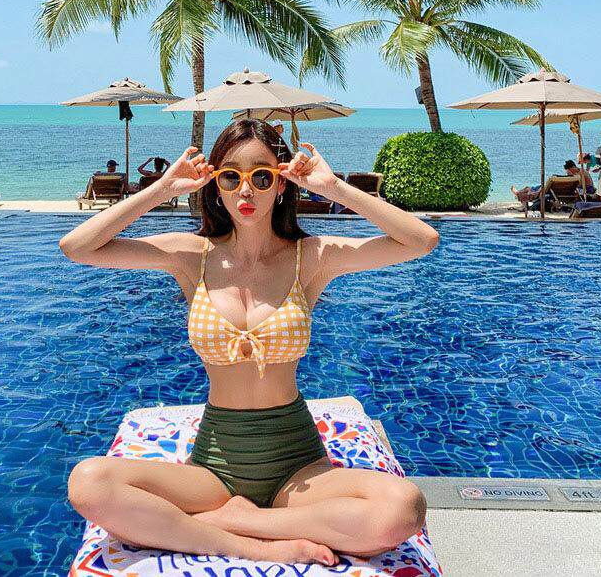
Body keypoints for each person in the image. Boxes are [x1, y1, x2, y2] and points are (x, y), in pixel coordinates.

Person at [60, 119, 438, 565]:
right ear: (215, 185)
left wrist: (333, 187)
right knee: (88, 482)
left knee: (402, 508)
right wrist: (162, 189)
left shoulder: (310, 257)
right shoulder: (191, 255)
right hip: (214, 466)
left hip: (298, 465)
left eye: (261, 176)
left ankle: (238, 521)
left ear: (281, 184)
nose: (246, 190)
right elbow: (77, 247)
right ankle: (243, 543)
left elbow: (421, 240)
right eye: (230, 177)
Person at [511, 159, 592, 207]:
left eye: (570, 170)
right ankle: (519, 194)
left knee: (535, 189)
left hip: (585, 190)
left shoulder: (580, 174)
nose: (569, 172)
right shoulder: (578, 173)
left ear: (573, 167)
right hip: (570, 190)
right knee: (531, 188)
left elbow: (580, 185)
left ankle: (519, 194)